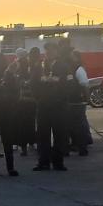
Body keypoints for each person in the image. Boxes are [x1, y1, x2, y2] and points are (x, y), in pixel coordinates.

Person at [34, 42, 69, 172]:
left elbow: (68, 84)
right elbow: (34, 83)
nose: (49, 54)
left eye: (51, 51)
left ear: (56, 52)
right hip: (43, 105)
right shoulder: (39, 66)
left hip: (58, 105)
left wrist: (58, 86)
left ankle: (58, 162)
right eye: (47, 51)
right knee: (43, 135)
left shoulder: (63, 66)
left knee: (59, 134)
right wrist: (38, 97)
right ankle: (43, 161)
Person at [66, 49, 93, 157]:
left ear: (77, 58)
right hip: (74, 101)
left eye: (72, 56)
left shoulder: (79, 69)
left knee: (79, 125)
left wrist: (87, 99)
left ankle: (82, 147)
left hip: (78, 101)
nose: (71, 58)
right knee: (75, 125)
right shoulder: (74, 69)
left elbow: (85, 85)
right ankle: (78, 145)